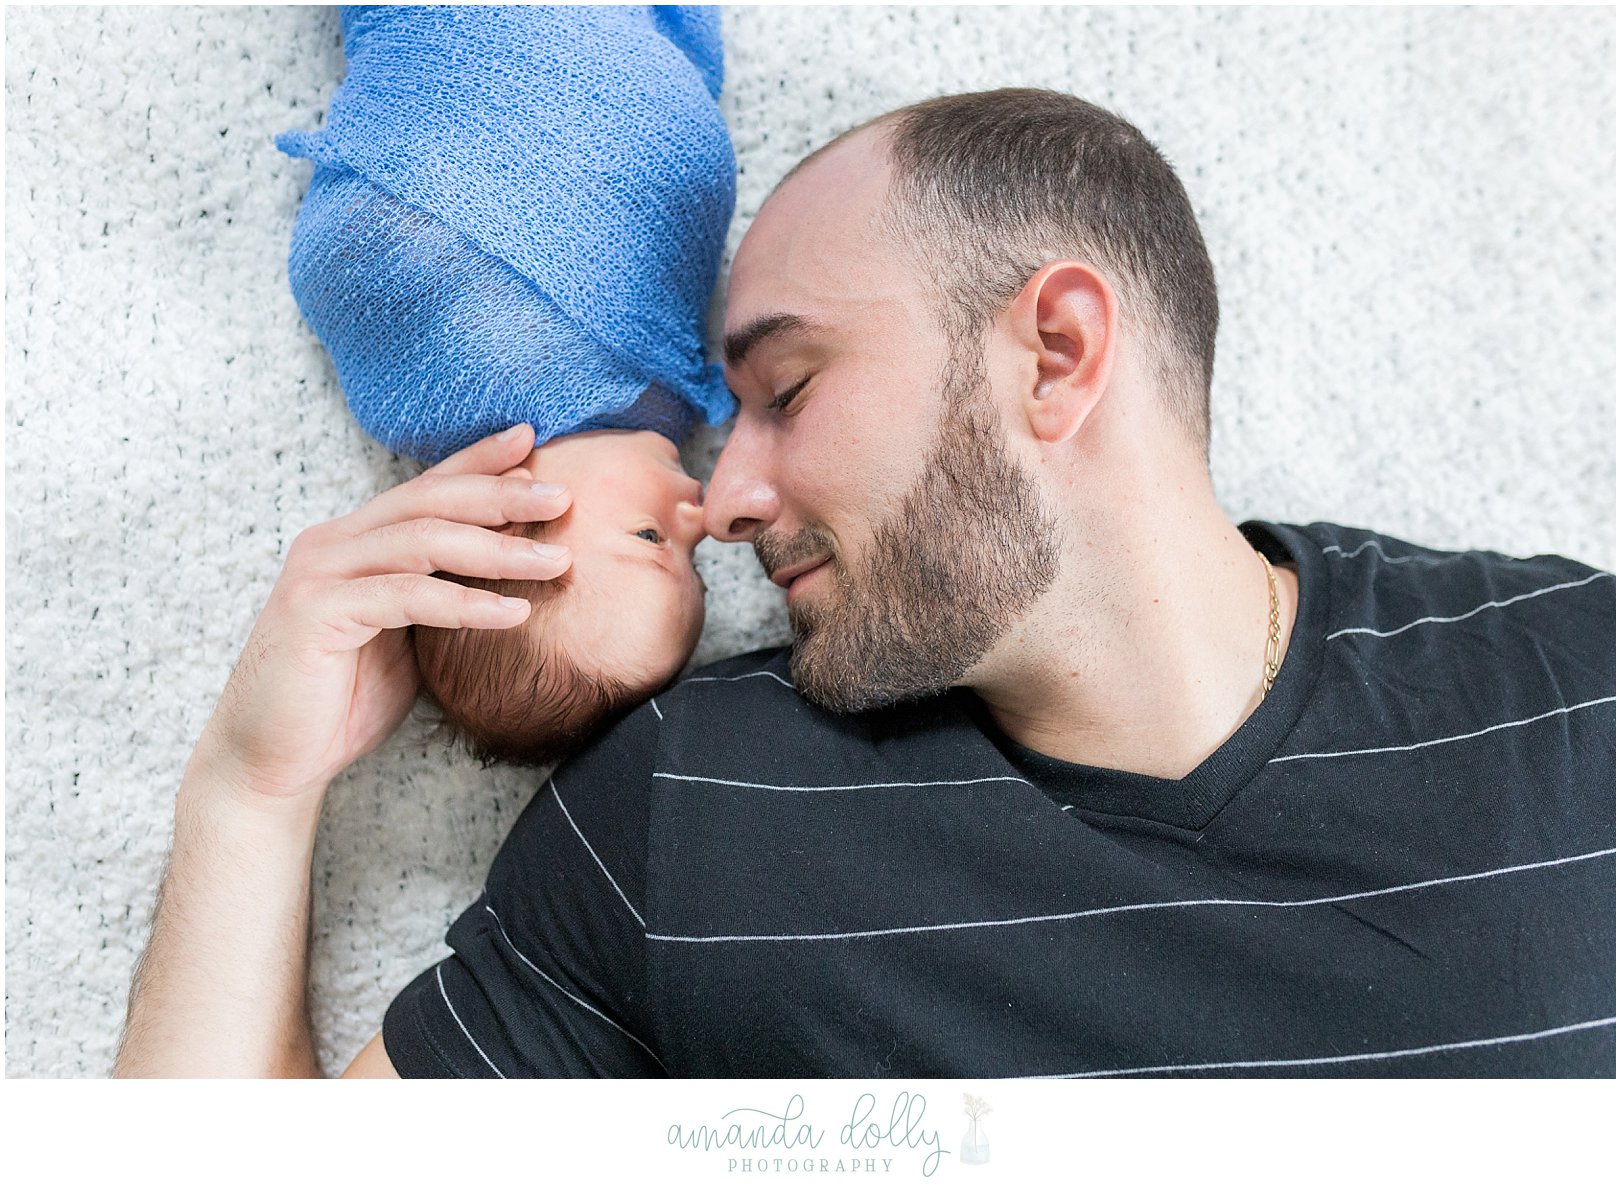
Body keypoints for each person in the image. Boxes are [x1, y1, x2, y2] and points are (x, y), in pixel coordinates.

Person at [114, 89, 1615, 1079]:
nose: (728, 494)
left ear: (1057, 353)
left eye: (788, 386)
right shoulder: (692, 811)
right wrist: (252, 789)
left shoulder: (1581, 684)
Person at [278, 5, 733, 765]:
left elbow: (349, 260)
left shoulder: (444, 391)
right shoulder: (667, 411)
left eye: (652, 540)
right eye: (699, 568)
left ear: (502, 523)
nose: (700, 520)